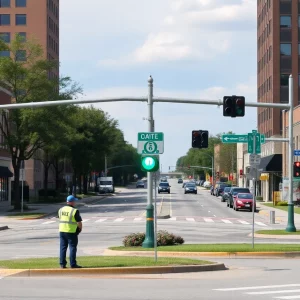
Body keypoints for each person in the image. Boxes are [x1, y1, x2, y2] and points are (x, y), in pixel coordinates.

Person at [58, 195, 83, 268]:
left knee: (63, 247)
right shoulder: (74, 211)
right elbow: (79, 222)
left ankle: (62, 264)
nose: (75, 202)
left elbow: (60, 218)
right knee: (72, 247)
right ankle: (73, 264)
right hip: (71, 232)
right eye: (74, 201)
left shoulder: (61, 209)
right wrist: (79, 230)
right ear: (72, 202)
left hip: (62, 231)